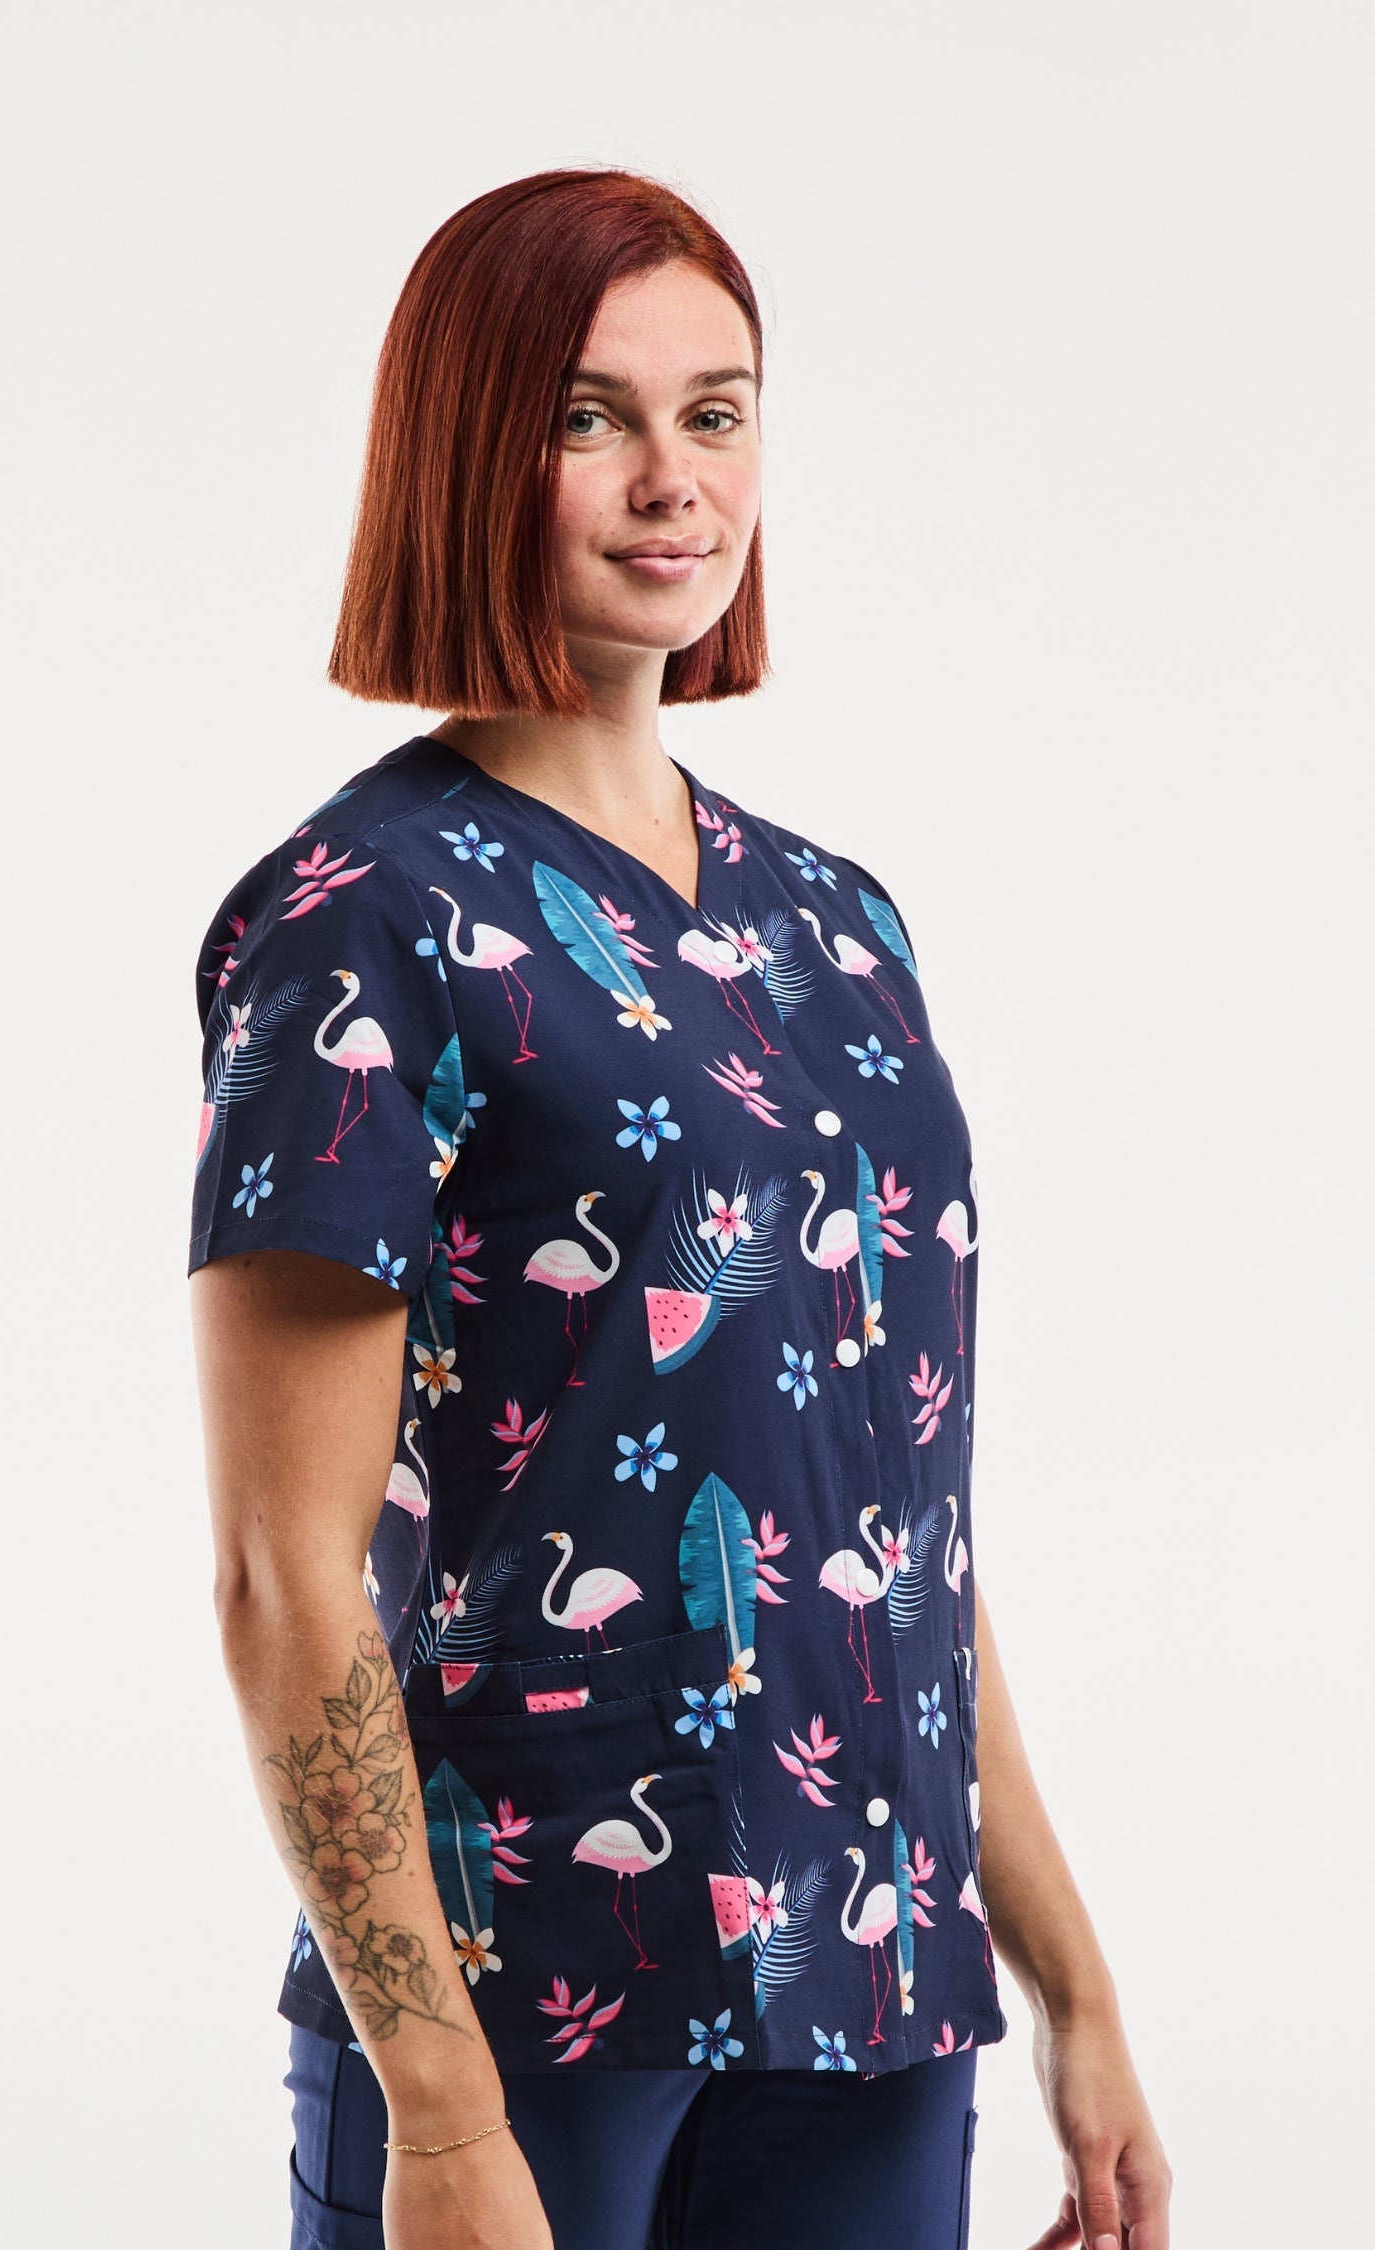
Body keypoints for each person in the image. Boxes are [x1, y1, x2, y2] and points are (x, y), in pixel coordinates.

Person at [188, 168, 1172, 2250]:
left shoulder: (840, 924)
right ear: (467, 451)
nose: (673, 479)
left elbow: (892, 1518)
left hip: (876, 1981)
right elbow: (284, 1576)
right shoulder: (363, 922)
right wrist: (438, 2115)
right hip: (527, 1994)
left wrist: (1070, 1984)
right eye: (590, 416)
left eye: (715, 413)